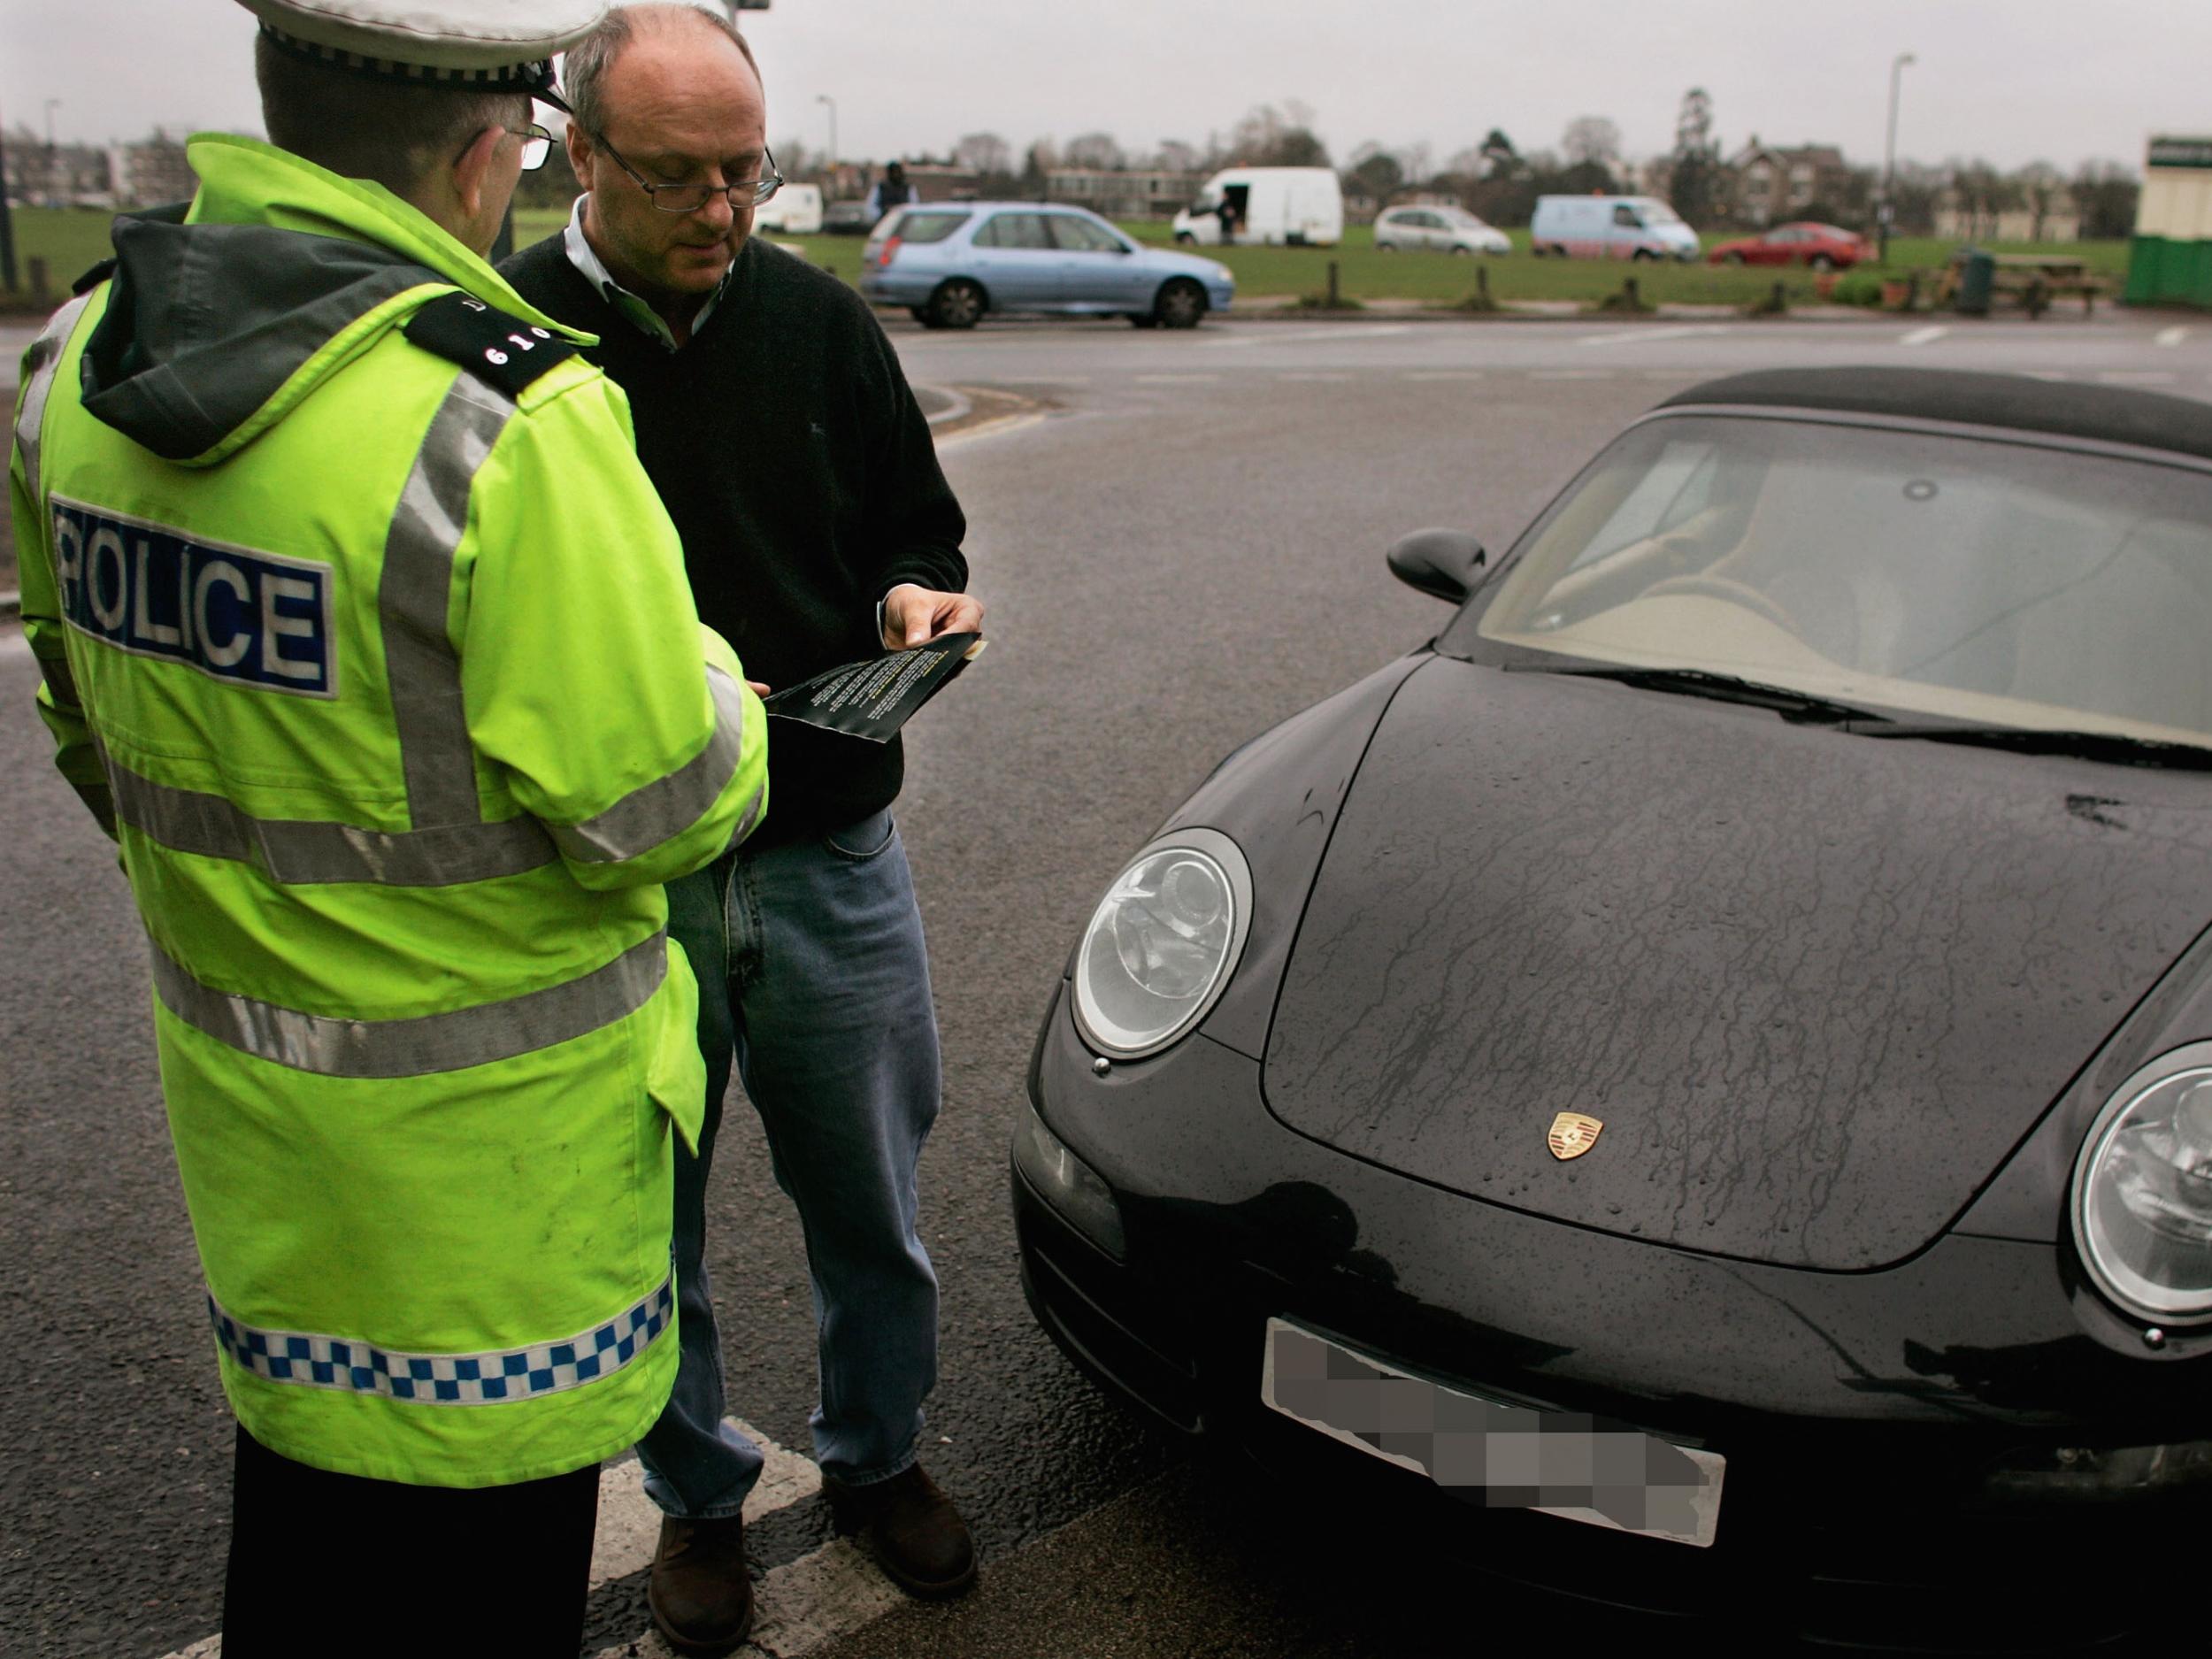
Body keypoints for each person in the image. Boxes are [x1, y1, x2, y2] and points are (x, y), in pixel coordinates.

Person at [7, 2, 770, 1651]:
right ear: (493, 148)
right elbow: (669, 800)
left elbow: (91, 732)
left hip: (265, 1162)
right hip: (495, 1222)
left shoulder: (75, 366)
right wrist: (716, 666)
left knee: (301, 1565)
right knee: (476, 1603)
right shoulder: (504, 421)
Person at [502, 6, 981, 1651]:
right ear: (580, 154)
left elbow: (914, 526)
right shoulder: (500, 338)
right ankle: (699, 1499)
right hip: (622, 886)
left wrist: (914, 595)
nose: (721, 211)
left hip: (833, 851)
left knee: (873, 1205)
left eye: (749, 174)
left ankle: (877, 1458)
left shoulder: (824, 327)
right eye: (679, 177)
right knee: (648, 1224)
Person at [866, 159, 918, 226]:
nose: (896, 175)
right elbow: (871, 206)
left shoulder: (908, 188)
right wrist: (881, 214)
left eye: (897, 172)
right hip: (884, 222)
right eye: (893, 172)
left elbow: (914, 206)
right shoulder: (880, 187)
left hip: (903, 223)